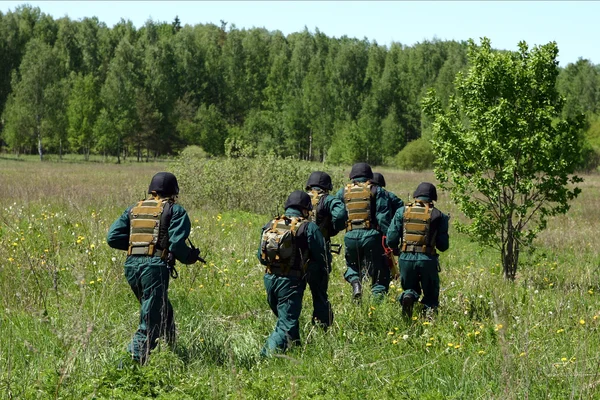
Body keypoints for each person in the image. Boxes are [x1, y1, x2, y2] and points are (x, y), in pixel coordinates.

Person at [107, 172, 201, 364]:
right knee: (151, 321)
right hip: (154, 268)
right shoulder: (175, 210)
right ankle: (126, 366)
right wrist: (189, 257)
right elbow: (176, 244)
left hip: (131, 266)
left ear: (152, 190)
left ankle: (173, 354)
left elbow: (113, 237)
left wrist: (140, 246)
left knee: (164, 310)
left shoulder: (134, 209)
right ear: (174, 192)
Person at [258, 190, 328, 356]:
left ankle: (295, 350)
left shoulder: (271, 224)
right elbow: (321, 256)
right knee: (286, 323)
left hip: (269, 279)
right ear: (305, 209)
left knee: (286, 319)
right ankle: (265, 357)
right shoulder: (308, 227)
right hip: (290, 282)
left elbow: (260, 257)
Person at [386, 182, 449, 318]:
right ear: (433, 198)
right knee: (431, 294)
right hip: (427, 259)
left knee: (409, 288)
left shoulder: (401, 211)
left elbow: (390, 239)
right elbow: (443, 246)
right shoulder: (439, 215)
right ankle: (429, 319)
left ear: (415, 196)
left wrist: (397, 250)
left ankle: (408, 297)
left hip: (406, 257)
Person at [336, 163, 394, 300]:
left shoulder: (343, 192)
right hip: (372, 236)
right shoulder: (376, 190)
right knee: (379, 272)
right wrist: (389, 239)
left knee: (352, 266)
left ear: (352, 176)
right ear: (369, 176)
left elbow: (338, 215)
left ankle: (356, 282)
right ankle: (376, 303)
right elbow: (382, 217)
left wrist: (339, 227)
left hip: (350, 236)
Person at [305, 171, 347, 328]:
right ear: (327, 187)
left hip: (297, 256)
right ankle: (322, 326)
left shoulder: (301, 199)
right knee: (319, 294)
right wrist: (333, 230)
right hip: (319, 254)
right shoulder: (328, 199)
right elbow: (341, 215)